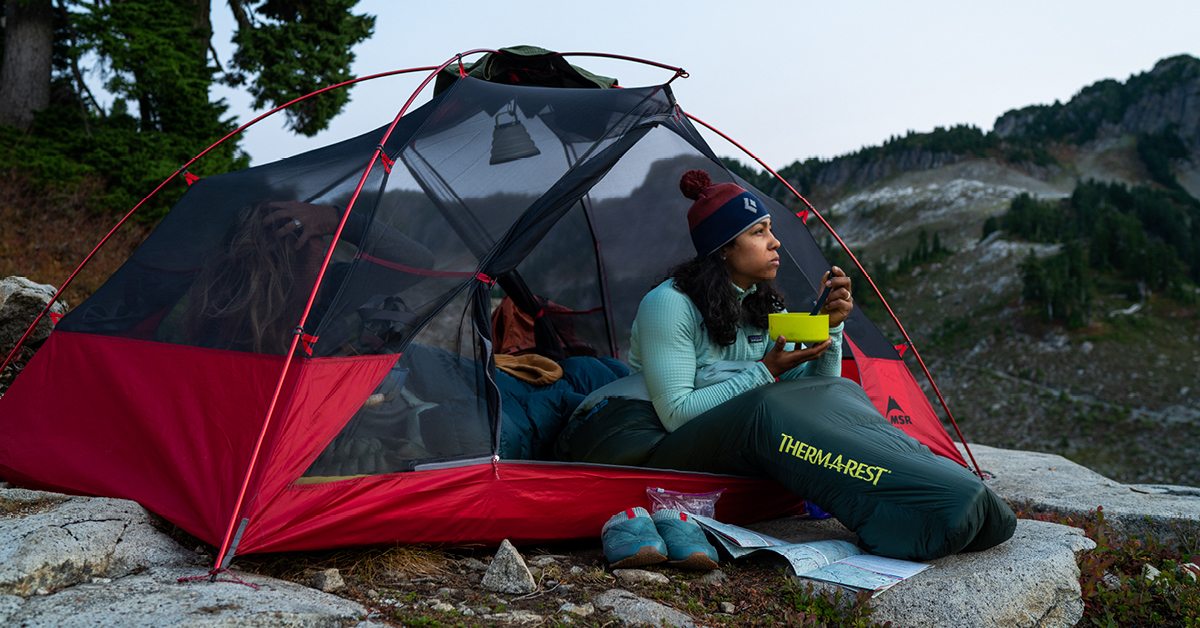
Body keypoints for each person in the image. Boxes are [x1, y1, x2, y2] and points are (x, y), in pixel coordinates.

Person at [558, 169, 1015, 562]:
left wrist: (832, 330)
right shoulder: (669, 305)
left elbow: (820, 394)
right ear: (723, 248)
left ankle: (953, 490)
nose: (775, 242)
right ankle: (906, 517)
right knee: (766, 410)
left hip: (703, 430)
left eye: (770, 229)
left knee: (839, 393)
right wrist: (768, 372)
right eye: (759, 232)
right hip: (633, 437)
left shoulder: (758, 304)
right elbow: (676, 412)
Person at [180, 200, 433, 355]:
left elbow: (419, 264)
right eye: (315, 258)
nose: (326, 265)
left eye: (325, 254)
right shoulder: (229, 332)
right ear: (281, 274)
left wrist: (336, 219)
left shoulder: (330, 285)